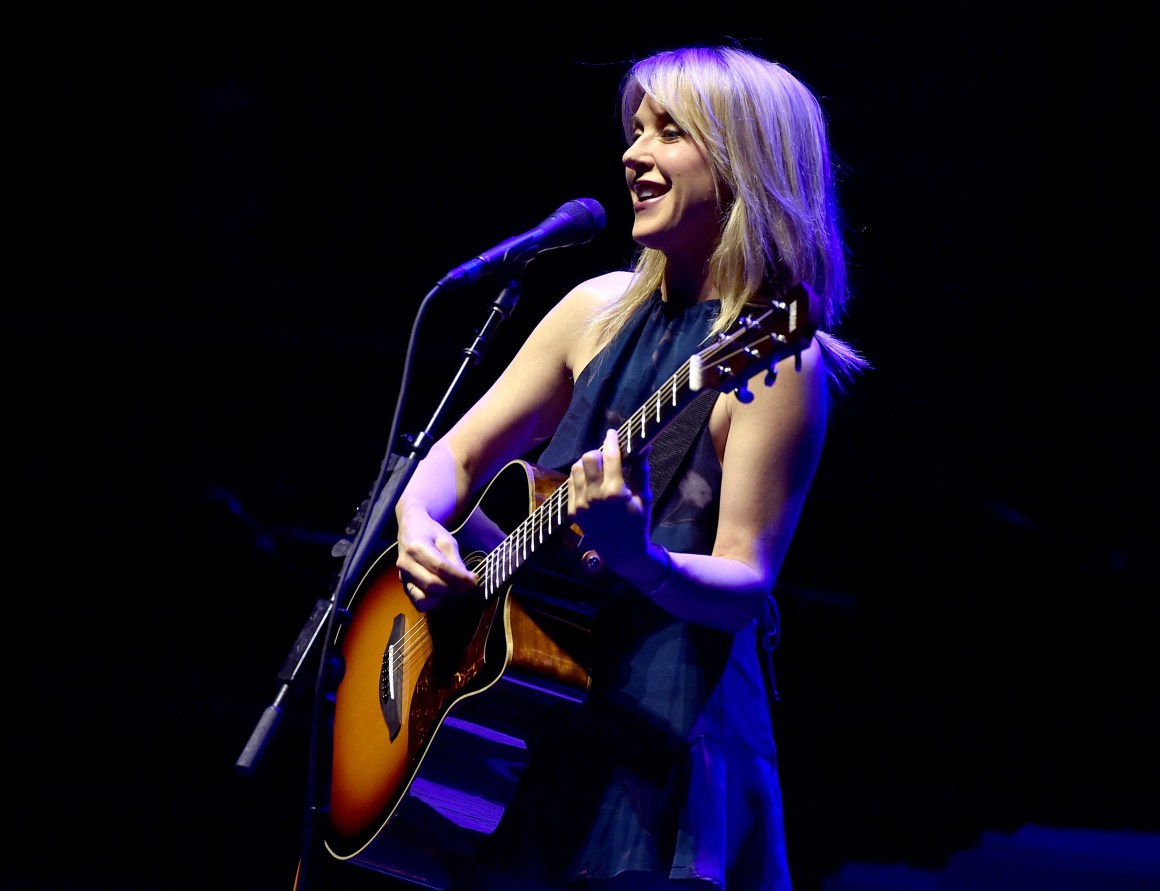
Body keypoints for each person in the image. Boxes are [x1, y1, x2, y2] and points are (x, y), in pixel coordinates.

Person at [391, 44, 868, 890]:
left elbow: (746, 578)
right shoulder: (593, 308)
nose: (632, 152)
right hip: (531, 706)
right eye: (635, 129)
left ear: (743, 164)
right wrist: (418, 525)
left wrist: (638, 556)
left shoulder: (775, 362)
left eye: (669, 133)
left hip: (666, 727)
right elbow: (455, 456)